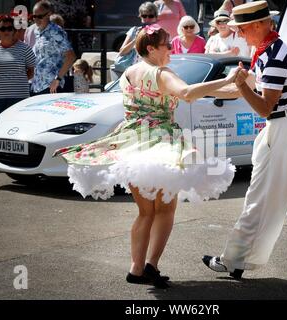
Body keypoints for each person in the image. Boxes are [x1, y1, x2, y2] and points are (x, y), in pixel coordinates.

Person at [54, 24, 237, 289]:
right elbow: (186, 93)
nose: (171, 48)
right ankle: (150, 265)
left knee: (145, 212)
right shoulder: (161, 72)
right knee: (166, 208)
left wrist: (237, 89)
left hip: (132, 141)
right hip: (160, 142)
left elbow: (195, 89)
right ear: (151, 49)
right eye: (166, 44)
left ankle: (136, 268)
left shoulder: (128, 72)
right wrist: (230, 80)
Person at [201, 1, 287, 285]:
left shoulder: (271, 55)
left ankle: (233, 261)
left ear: (260, 25)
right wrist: (203, 90)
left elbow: (264, 107)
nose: (241, 34)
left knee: (258, 199)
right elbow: (245, 88)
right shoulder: (271, 50)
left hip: (284, 127)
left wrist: (242, 85)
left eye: (243, 29)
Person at [0, 16, 36, 124]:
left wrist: (17, 81)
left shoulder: (25, 48)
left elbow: (32, 71)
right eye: (2, 29)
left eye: (9, 28)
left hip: (18, 97)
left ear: (14, 30)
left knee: (16, 126)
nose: (6, 31)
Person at [30, 0, 76, 95]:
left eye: (40, 16)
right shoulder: (37, 31)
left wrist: (58, 79)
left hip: (52, 87)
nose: (36, 19)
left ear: (49, 14)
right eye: (34, 16)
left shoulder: (56, 32)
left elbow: (71, 56)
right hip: (38, 86)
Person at [113, 1, 158, 78]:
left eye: (150, 16)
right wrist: (136, 40)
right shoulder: (134, 30)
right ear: (140, 17)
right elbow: (122, 52)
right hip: (134, 69)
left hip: (151, 69)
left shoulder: (160, 32)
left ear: (156, 17)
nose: (147, 19)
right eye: (144, 16)